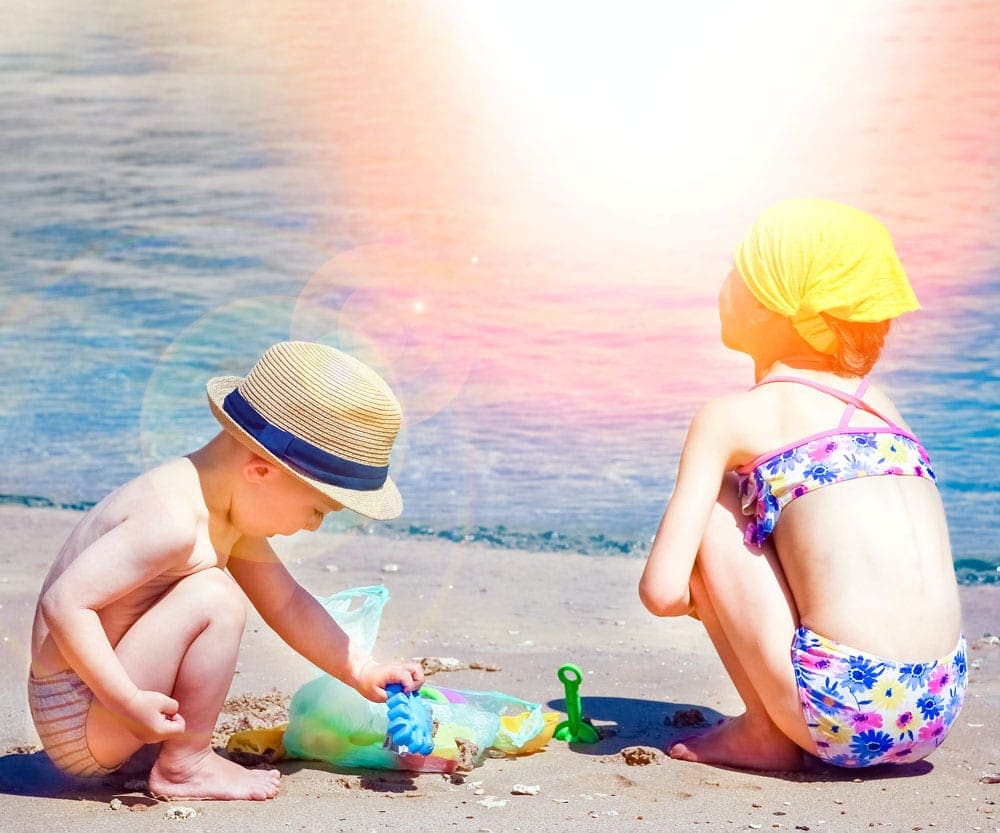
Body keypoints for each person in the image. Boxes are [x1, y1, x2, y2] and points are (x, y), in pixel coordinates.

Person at [638, 199, 967, 771]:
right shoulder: (884, 409)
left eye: (738, 271)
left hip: (841, 709)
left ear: (773, 307)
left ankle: (766, 734)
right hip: (939, 704)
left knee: (717, 506)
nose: (724, 283)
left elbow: (662, 593)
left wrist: (717, 598)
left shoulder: (732, 418)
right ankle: (789, 714)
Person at [28, 341, 424, 799]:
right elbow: (65, 603)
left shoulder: (219, 508)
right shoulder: (172, 523)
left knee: (212, 591)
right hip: (82, 718)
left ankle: (176, 753)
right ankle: (185, 766)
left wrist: (361, 669)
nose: (313, 527)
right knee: (215, 596)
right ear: (260, 472)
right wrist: (127, 701)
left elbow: (286, 602)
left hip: (110, 709)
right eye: (317, 509)